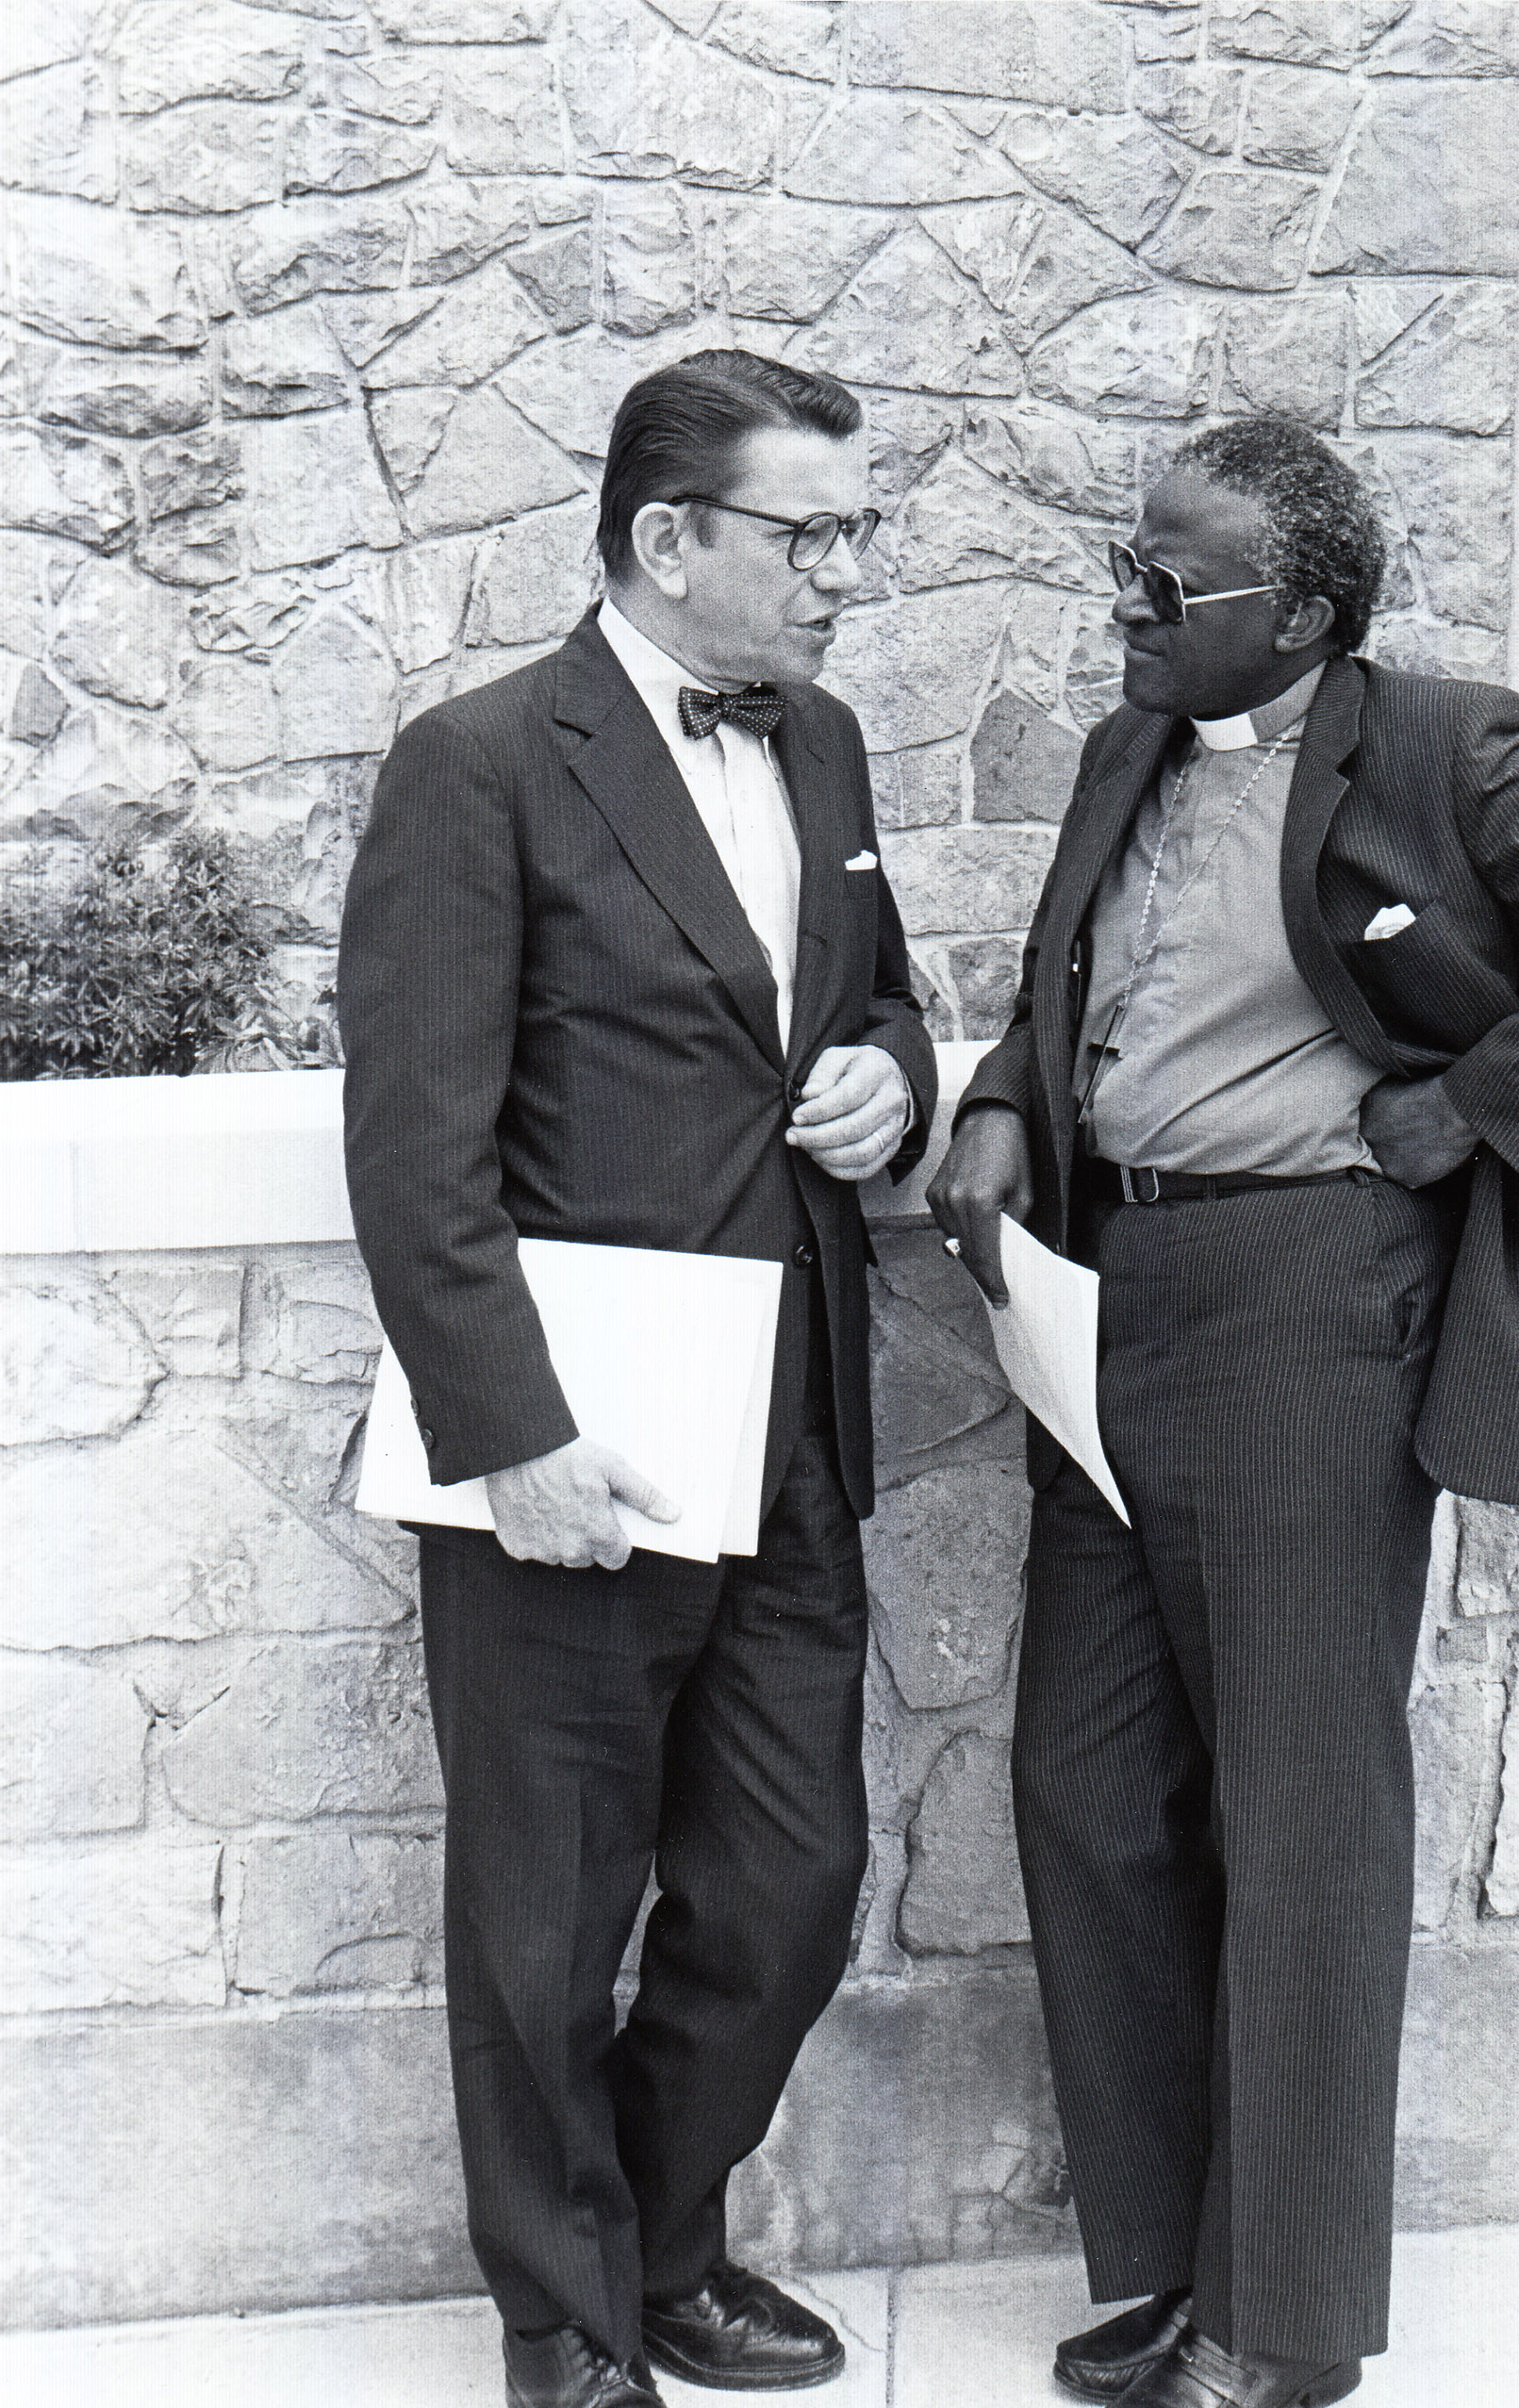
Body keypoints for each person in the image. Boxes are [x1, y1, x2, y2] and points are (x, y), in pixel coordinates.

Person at [928, 416, 1519, 2408]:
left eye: (1167, 580)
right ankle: (1173, 2266)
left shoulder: (1442, 745)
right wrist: (996, 1100)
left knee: (1302, 1810)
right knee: (1084, 1783)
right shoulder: (1127, 748)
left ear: (1303, 612)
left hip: (1310, 1305)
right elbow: (1081, 991)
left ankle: (1289, 2320)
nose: (1124, 605)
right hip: (1103, 1292)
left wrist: (1472, 1106)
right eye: (1127, 563)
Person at [338, 350, 936, 2408]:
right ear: (667, 538)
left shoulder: (824, 741)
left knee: (792, 1884)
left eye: (859, 530)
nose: (846, 572)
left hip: (790, 1431)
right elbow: (416, 1151)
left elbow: (876, 999)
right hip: (574, 1442)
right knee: (545, 1915)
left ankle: (665, 2243)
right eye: (811, 533)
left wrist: (892, 1077)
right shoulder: (479, 764)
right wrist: (510, 1436)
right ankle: (570, 2324)